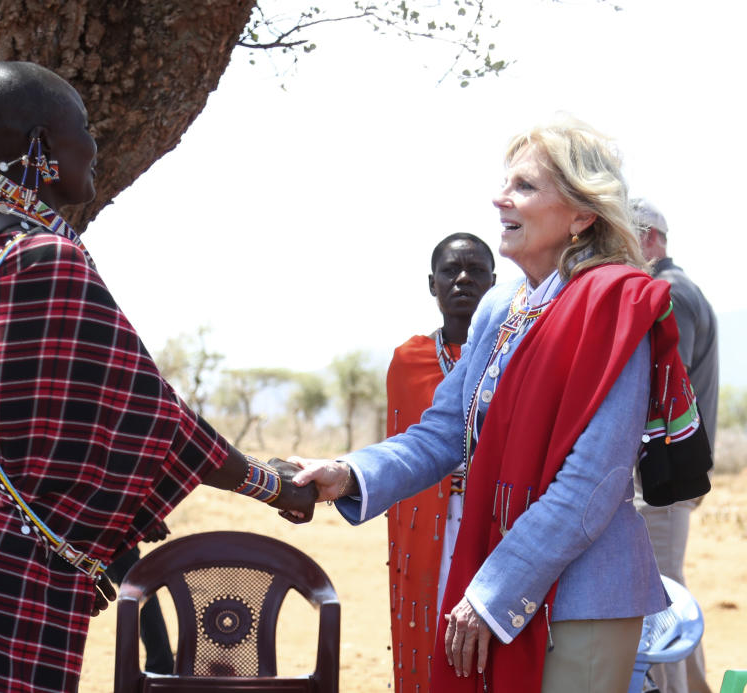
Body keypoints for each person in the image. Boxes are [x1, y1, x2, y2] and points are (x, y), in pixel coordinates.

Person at [0, 61, 315, 693]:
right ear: (40, 147)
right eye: (84, 128)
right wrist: (272, 485)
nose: (94, 147)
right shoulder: (45, 258)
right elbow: (153, 415)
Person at [292, 117, 710, 692]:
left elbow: (594, 482)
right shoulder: (501, 306)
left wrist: (493, 595)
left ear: (582, 215)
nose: (500, 197)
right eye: (504, 183)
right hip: (497, 571)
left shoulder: (613, 307)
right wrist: (349, 473)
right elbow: (443, 431)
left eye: (525, 186)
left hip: (583, 598)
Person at [385, 232, 495, 693]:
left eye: (476, 271)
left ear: (495, 283)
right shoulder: (408, 361)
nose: (463, 279)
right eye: (451, 271)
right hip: (424, 524)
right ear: (433, 284)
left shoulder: (516, 354)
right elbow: (402, 449)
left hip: (495, 520)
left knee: (487, 628)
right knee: (430, 627)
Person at [631, 197, 718, 693]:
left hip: (663, 476)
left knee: (660, 602)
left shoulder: (669, 292)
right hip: (668, 476)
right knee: (670, 593)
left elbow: (665, 392)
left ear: (648, 238)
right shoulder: (681, 288)